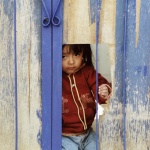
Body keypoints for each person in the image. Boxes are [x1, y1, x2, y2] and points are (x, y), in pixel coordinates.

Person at [62, 44, 111, 150]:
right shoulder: (55, 76)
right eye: (63, 57)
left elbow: (99, 83)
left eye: (76, 54)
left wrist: (104, 90)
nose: (71, 61)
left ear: (83, 53)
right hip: (64, 137)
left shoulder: (87, 72)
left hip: (88, 134)